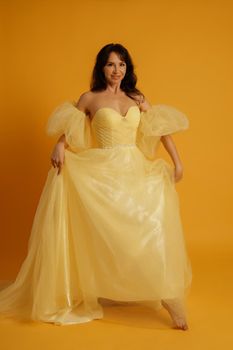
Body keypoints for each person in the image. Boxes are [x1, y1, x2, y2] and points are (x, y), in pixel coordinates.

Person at [0, 43, 192, 330]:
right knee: (107, 230)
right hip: (103, 172)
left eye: (122, 65)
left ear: (128, 69)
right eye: (111, 64)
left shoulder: (136, 97)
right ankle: (104, 284)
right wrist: (59, 146)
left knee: (150, 225)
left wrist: (178, 162)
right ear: (101, 68)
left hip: (135, 168)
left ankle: (168, 295)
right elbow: (71, 126)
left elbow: (160, 129)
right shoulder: (89, 98)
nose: (117, 70)